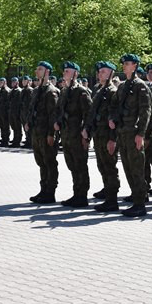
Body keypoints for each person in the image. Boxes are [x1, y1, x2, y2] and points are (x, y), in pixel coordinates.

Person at [109, 54, 152, 217]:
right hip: (123, 133)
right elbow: (114, 106)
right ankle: (136, 199)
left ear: (134, 66)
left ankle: (140, 204)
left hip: (134, 133)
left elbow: (145, 112)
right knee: (128, 168)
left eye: (127, 64)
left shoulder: (140, 86)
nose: (124, 66)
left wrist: (141, 134)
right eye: (124, 64)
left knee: (137, 169)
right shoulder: (122, 86)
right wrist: (112, 119)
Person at [83, 62, 120, 212]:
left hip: (107, 136)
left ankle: (112, 200)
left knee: (110, 167)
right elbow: (93, 113)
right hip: (98, 135)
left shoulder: (113, 92)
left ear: (111, 73)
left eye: (103, 71)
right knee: (102, 165)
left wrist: (113, 139)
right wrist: (88, 130)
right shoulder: (100, 90)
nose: (100, 74)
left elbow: (115, 118)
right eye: (99, 71)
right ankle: (107, 191)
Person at [56, 62, 92, 207]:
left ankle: (82, 196)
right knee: (72, 165)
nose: (64, 74)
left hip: (78, 135)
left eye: (67, 71)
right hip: (66, 135)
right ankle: (76, 193)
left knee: (80, 166)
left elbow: (89, 114)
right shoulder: (65, 91)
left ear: (75, 74)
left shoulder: (81, 91)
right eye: (64, 71)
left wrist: (86, 134)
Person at [26, 62, 60, 203]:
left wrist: (51, 134)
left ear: (47, 71)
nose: (36, 71)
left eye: (39, 69)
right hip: (36, 132)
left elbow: (53, 115)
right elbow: (32, 109)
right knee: (41, 162)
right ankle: (43, 190)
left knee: (49, 162)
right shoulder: (37, 90)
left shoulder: (51, 91)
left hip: (46, 133)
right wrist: (28, 122)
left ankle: (50, 192)